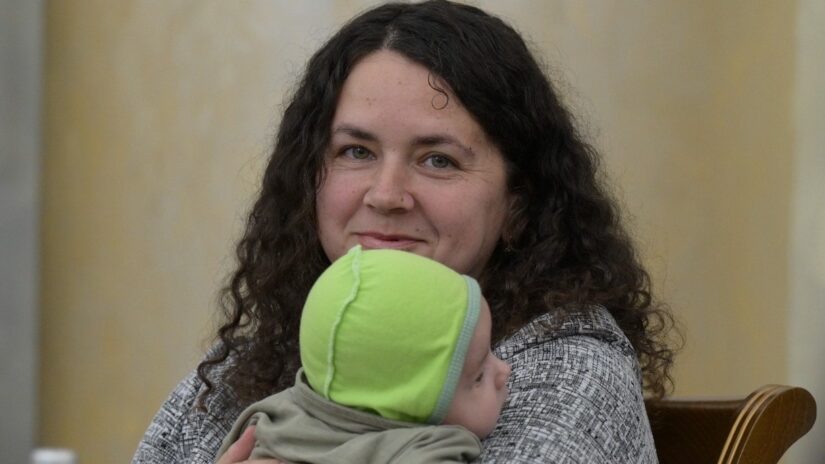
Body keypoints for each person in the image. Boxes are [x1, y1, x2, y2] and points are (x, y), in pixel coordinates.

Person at [132, 1, 676, 463]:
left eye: (438, 160)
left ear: (519, 203)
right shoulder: (242, 372)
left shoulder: (569, 373)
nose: (387, 194)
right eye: (356, 152)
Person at [215, 246, 510, 463]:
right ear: (404, 400)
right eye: (478, 376)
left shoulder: (271, 419)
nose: (504, 370)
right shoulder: (427, 451)